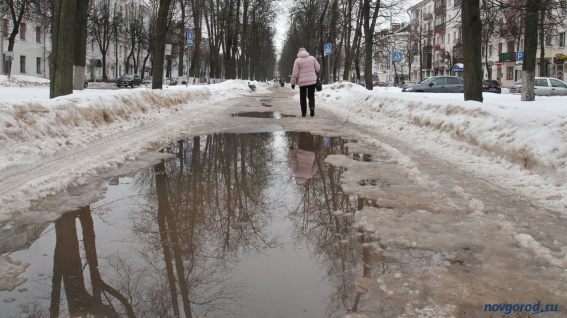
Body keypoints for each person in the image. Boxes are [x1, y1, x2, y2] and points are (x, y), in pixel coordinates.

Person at [290, 48, 321, 117]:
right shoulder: (312, 58)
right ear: (306, 51)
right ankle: (312, 108)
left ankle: (303, 113)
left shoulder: (297, 61)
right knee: (311, 96)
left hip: (302, 82)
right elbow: (318, 68)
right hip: (312, 81)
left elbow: (295, 73)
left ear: (299, 52)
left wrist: (293, 83)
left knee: (303, 97)